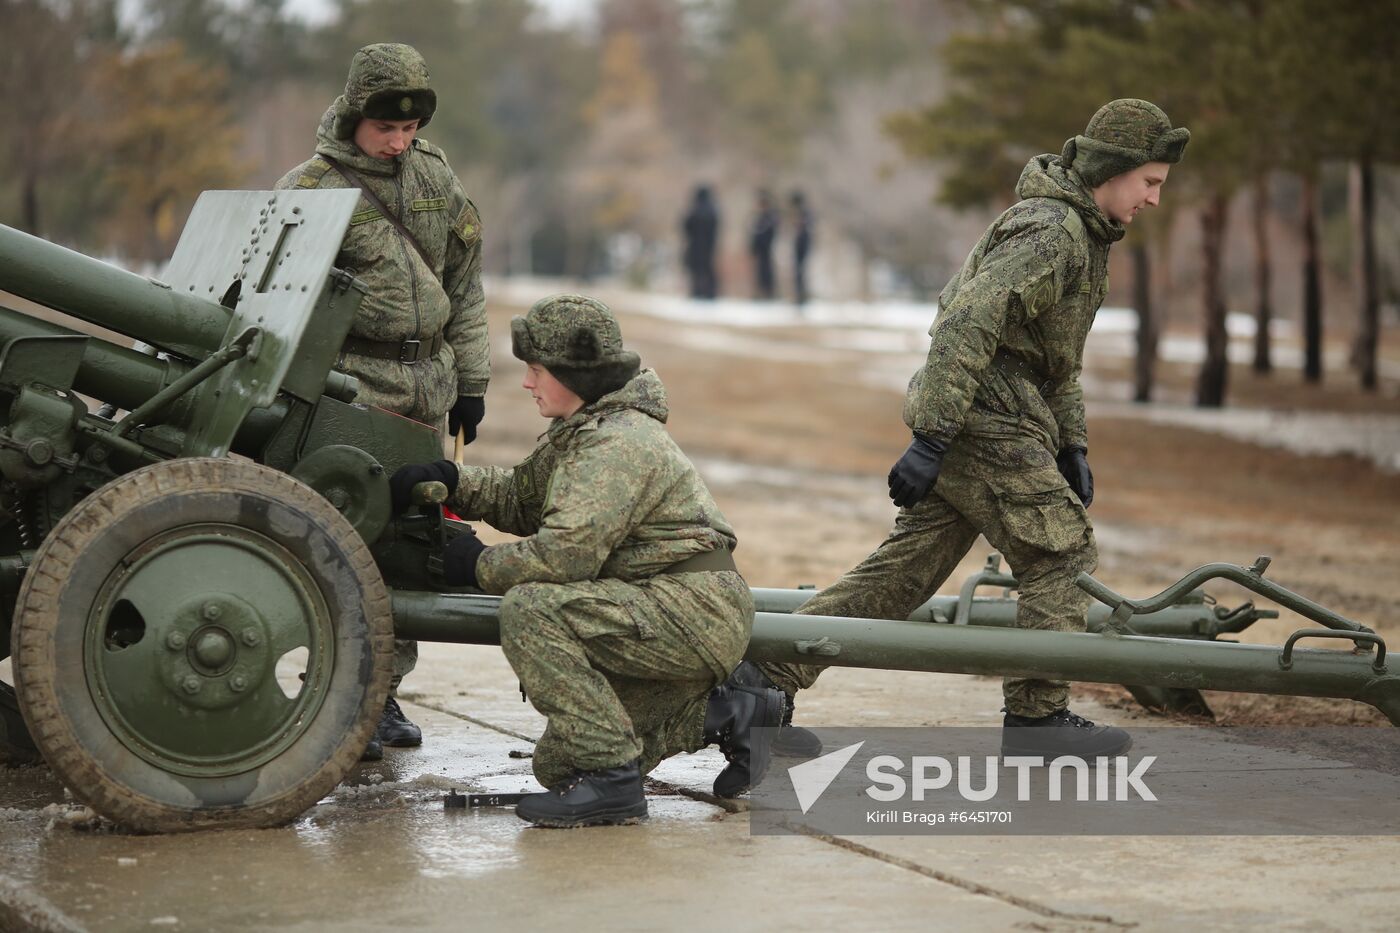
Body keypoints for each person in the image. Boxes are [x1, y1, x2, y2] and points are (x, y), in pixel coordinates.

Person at [742, 99, 1190, 759]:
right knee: (1059, 550)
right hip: (984, 416)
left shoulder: (1085, 238)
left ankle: (760, 681)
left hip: (997, 415)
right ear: (1114, 170)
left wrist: (1072, 442)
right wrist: (933, 435)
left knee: (901, 575)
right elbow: (967, 323)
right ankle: (1038, 721)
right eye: (1149, 183)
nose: (1154, 199)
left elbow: (1057, 360)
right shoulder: (1053, 232)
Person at [390, 295, 784, 827]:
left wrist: (475, 563)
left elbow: (565, 556)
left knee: (532, 609)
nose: (527, 384)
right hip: (664, 605)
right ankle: (734, 714)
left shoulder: (616, 444)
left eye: (535, 370)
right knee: (560, 764)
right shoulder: (583, 429)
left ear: (572, 373)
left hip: (688, 610)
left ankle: (616, 787)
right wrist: (454, 482)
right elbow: (524, 500)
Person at [275, 43, 490, 761]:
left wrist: (474, 383)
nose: (399, 143)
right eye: (385, 130)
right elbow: (281, 302)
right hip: (353, 389)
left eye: (410, 128)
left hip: (429, 382)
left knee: (412, 536)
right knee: (348, 534)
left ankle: (384, 692)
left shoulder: (433, 175)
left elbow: (464, 284)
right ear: (355, 115)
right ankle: (339, 687)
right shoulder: (311, 190)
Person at [681, 185, 720, 299]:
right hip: (709, 246)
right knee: (707, 270)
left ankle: (697, 292)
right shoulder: (712, 210)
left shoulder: (694, 210)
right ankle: (709, 293)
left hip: (695, 246)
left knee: (696, 271)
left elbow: (686, 226)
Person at [748, 189, 778, 300]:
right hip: (760, 250)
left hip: (767, 250)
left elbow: (768, 233)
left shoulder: (770, 217)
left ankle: (768, 294)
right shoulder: (760, 217)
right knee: (759, 272)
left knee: (767, 272)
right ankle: (761, 293)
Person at [789, 190, 812, 307]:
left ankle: (802, 298)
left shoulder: (805, 213)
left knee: (802, 272)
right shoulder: (801, 213)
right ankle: (799, 297)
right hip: (799, 246)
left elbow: (806, 232)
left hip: (803, 246)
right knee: (798, 272)